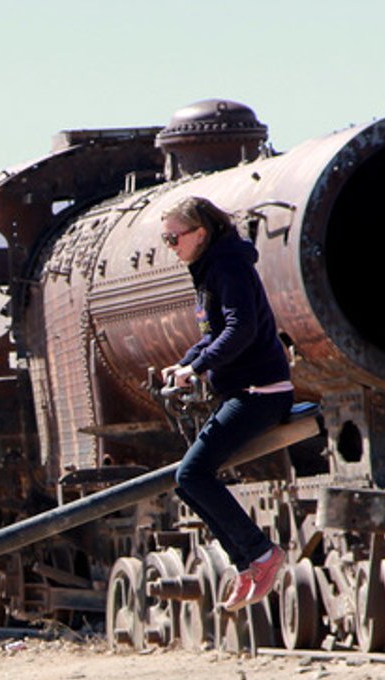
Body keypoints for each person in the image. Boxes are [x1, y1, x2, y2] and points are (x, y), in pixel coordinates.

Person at [158, 195, 292, 612]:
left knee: (194, 473)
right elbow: (213, 332)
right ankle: (248, 563)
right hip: (243, 391)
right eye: (166, 239)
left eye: (173, 237)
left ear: (200, 233)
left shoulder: (228, 266)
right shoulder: (211, 268)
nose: (171, 246)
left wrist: (197, 370)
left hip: (260, 392)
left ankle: (262, 554)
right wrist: (183, 363)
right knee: (188, 479)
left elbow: (241, 329)